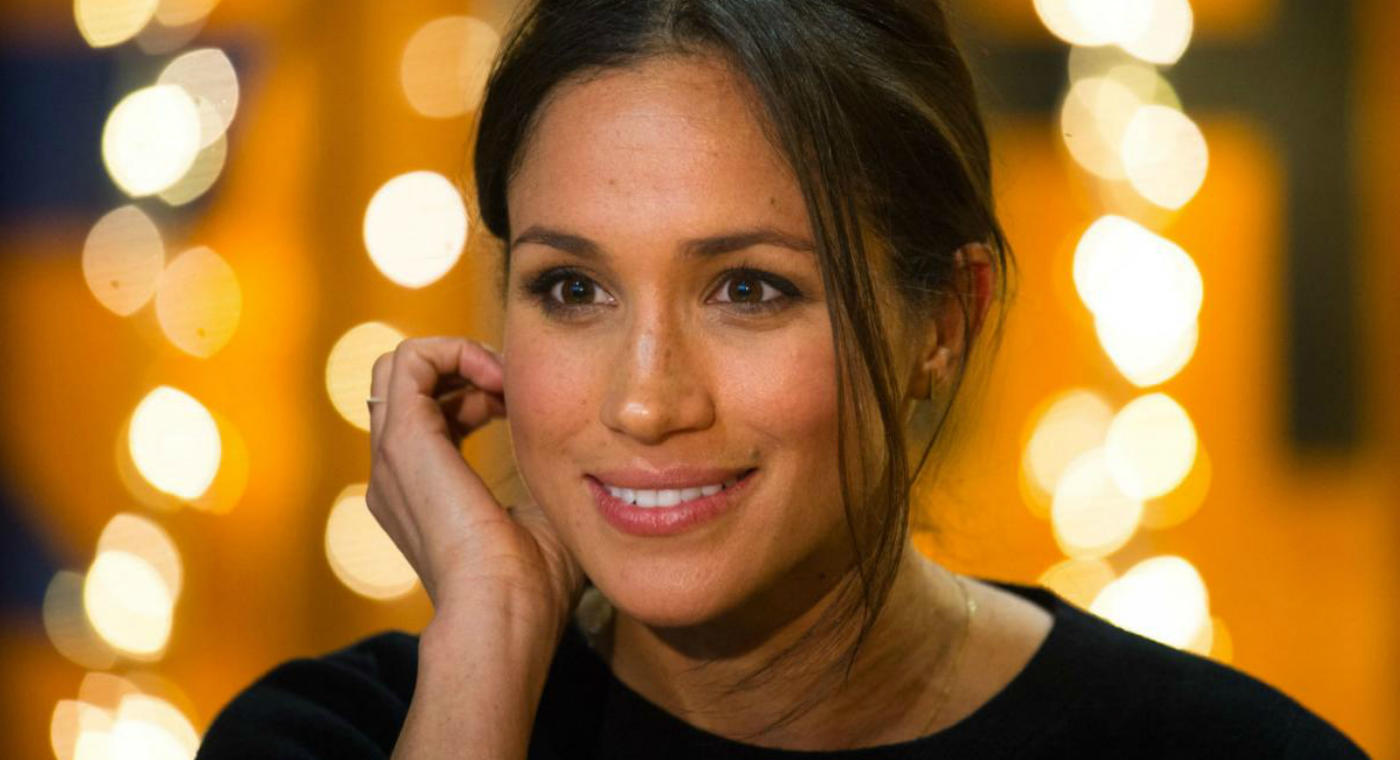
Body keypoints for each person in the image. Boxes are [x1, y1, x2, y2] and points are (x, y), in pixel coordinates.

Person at [195, 0, 1369, 757]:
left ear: (943, 320)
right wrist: (487, 642)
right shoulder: (339, 736)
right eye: (573, 288)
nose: (644, 401)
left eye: (748, 289)